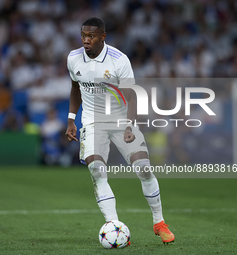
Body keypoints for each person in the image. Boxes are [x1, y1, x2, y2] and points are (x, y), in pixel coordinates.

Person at [65, 17, 175, 244]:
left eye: (91, 36)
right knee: (97, 171)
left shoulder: (118, 60)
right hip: (93, 122)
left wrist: (129, 125)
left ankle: (159, 222)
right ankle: (114, 226)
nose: (86, 41)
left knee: (144, 168)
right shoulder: (73, 58)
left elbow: (132, 96)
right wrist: (71, 119)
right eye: (83, 36)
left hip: (121, 120)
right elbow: (75, 87)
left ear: (102, 37)